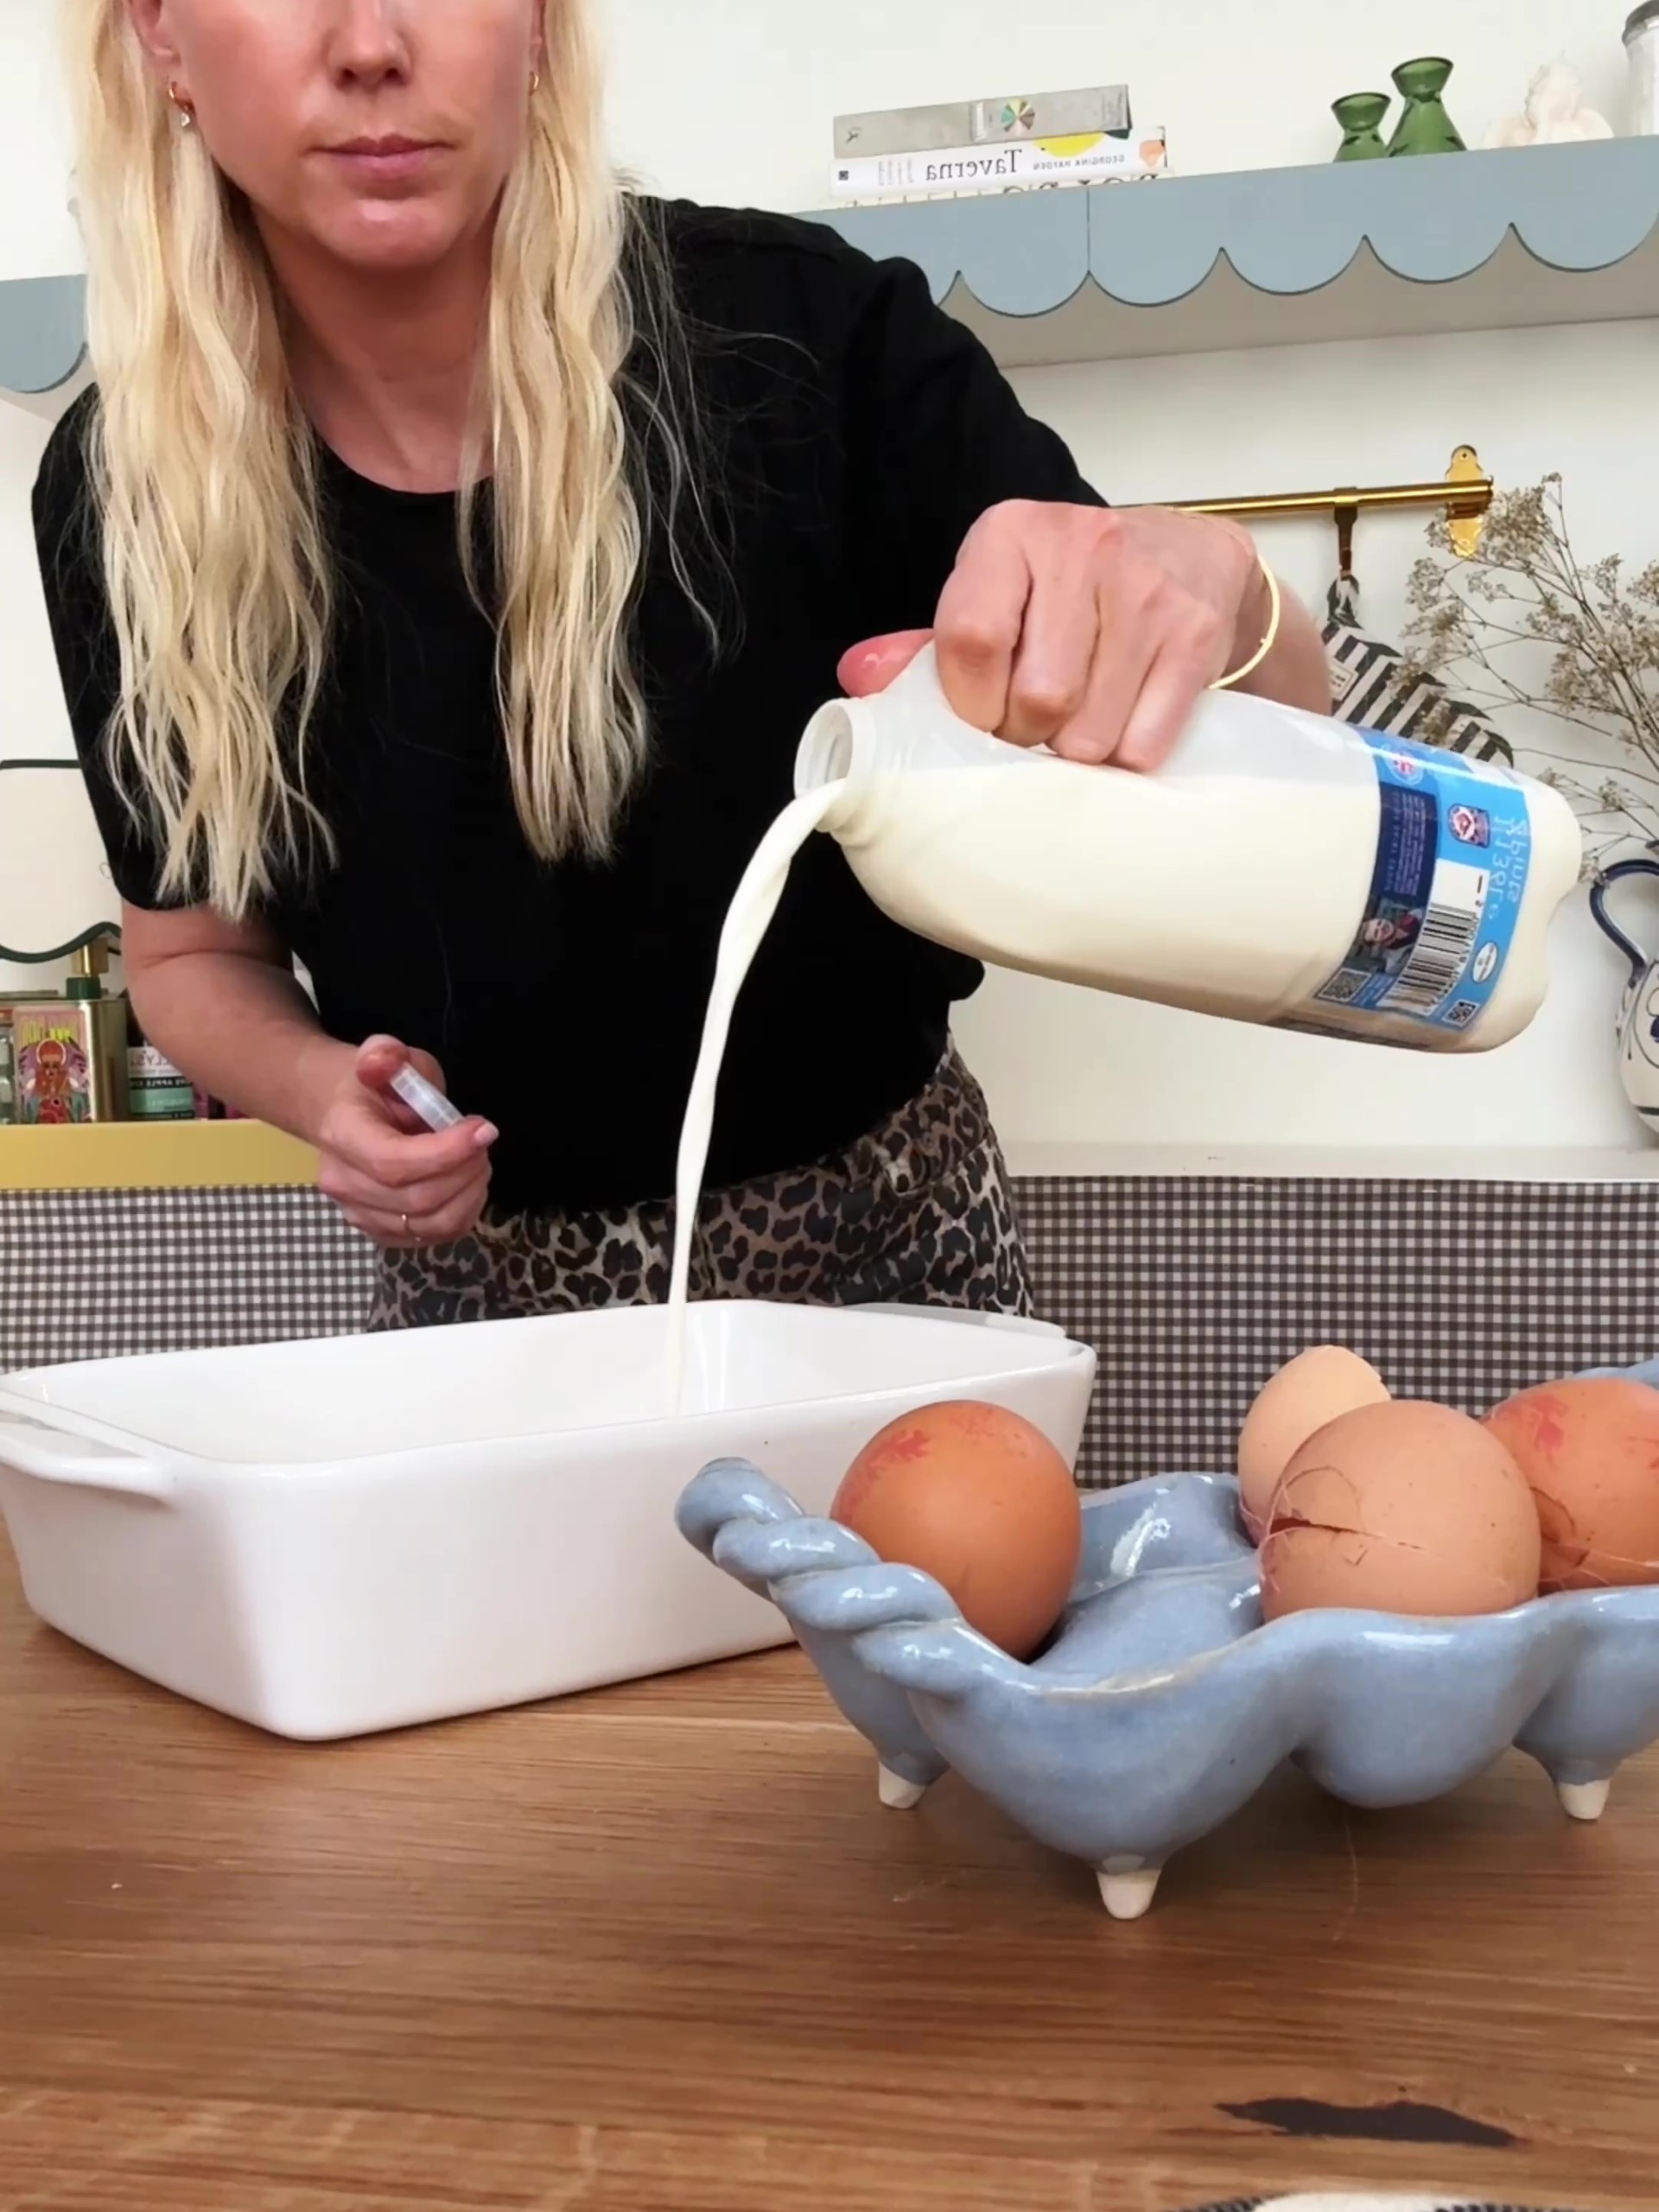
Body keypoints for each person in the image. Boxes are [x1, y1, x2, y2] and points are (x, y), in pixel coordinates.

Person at [35, 0, 1332, 1330]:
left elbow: (1291, 723)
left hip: (896, 1268)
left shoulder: (805, 339)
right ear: (161, 35)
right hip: (483, 1315)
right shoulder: (123, 494)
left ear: (538, 27)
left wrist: (1224, 589)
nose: (371, 43)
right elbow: (192, 957)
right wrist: (321, 1090)